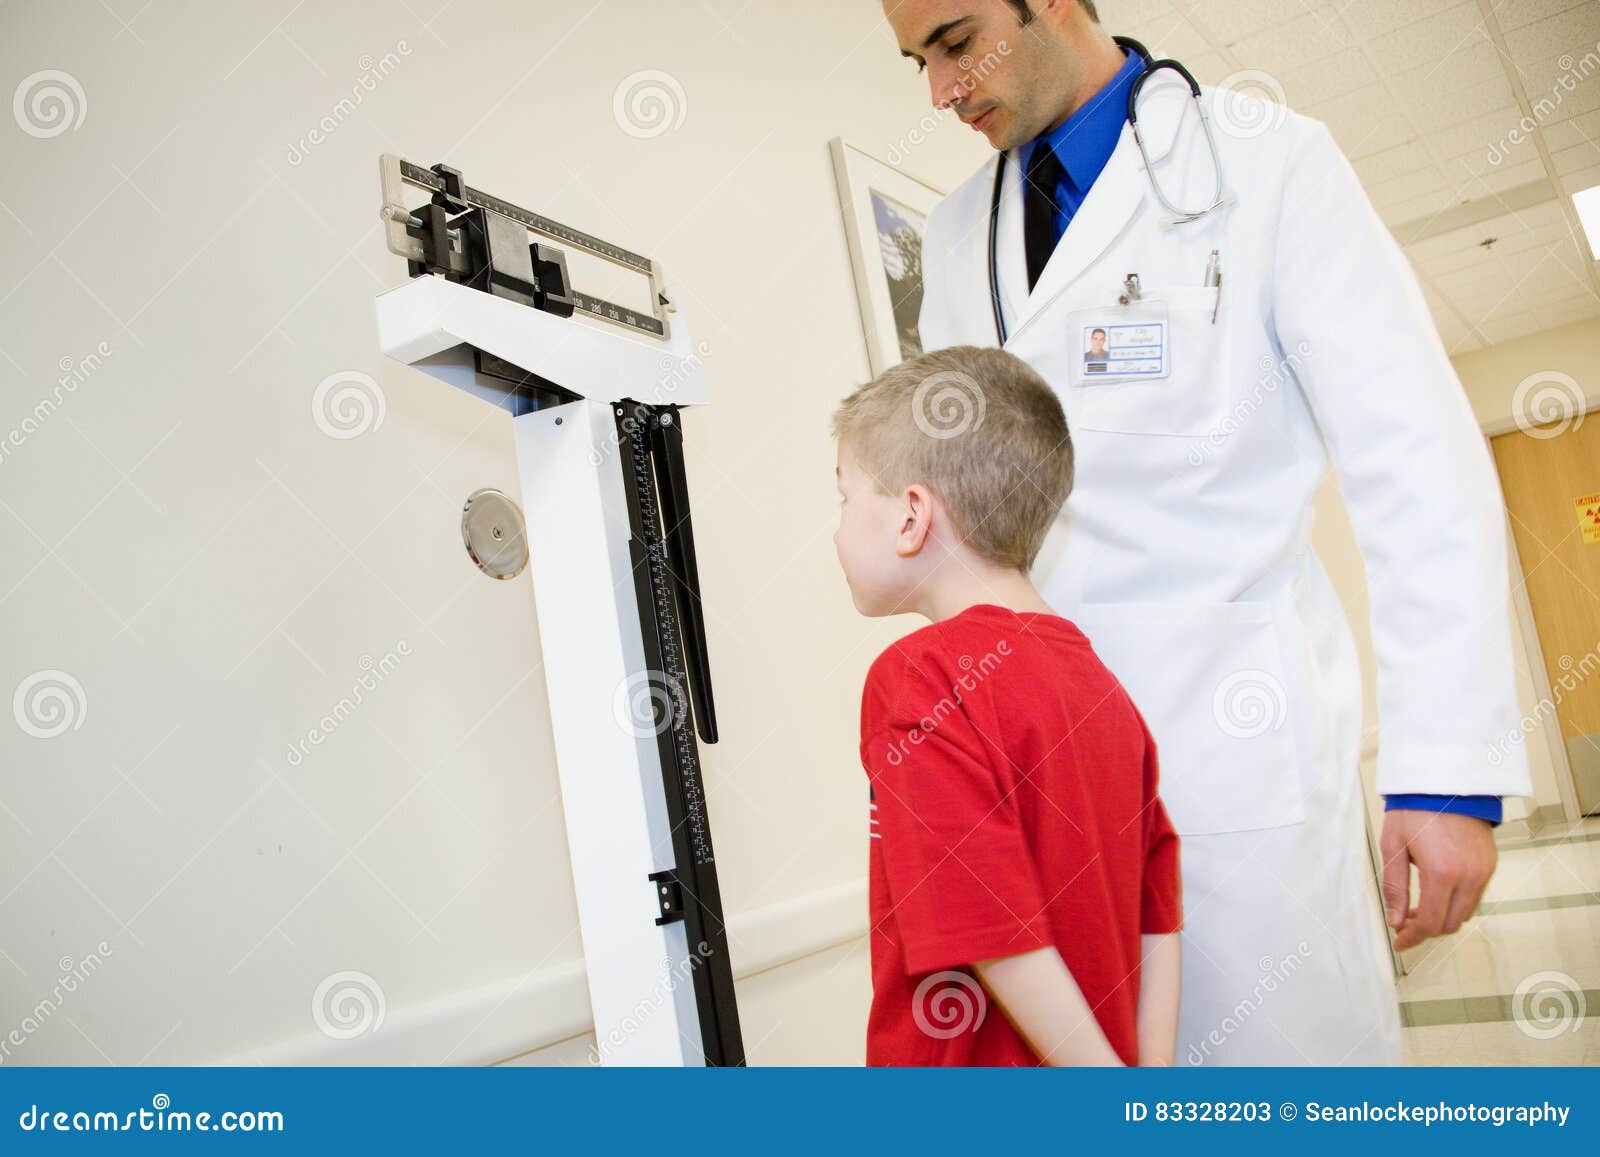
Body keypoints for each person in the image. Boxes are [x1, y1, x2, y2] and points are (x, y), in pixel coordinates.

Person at [886, 0, 1530, 1065]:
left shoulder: (1267, 162)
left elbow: (1414, 460)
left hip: (1234, 755)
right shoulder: (957, 236)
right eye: (916, 60)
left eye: (956, 43)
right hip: (1044, 766)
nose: (940, 89)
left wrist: (1446, 773)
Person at [831, 344, 1182, 1066]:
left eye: (844, 498)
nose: (836, 529)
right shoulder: (1100, 686)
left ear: (911, 517)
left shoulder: (919, 678)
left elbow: (988, 925)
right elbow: (1160, 910)